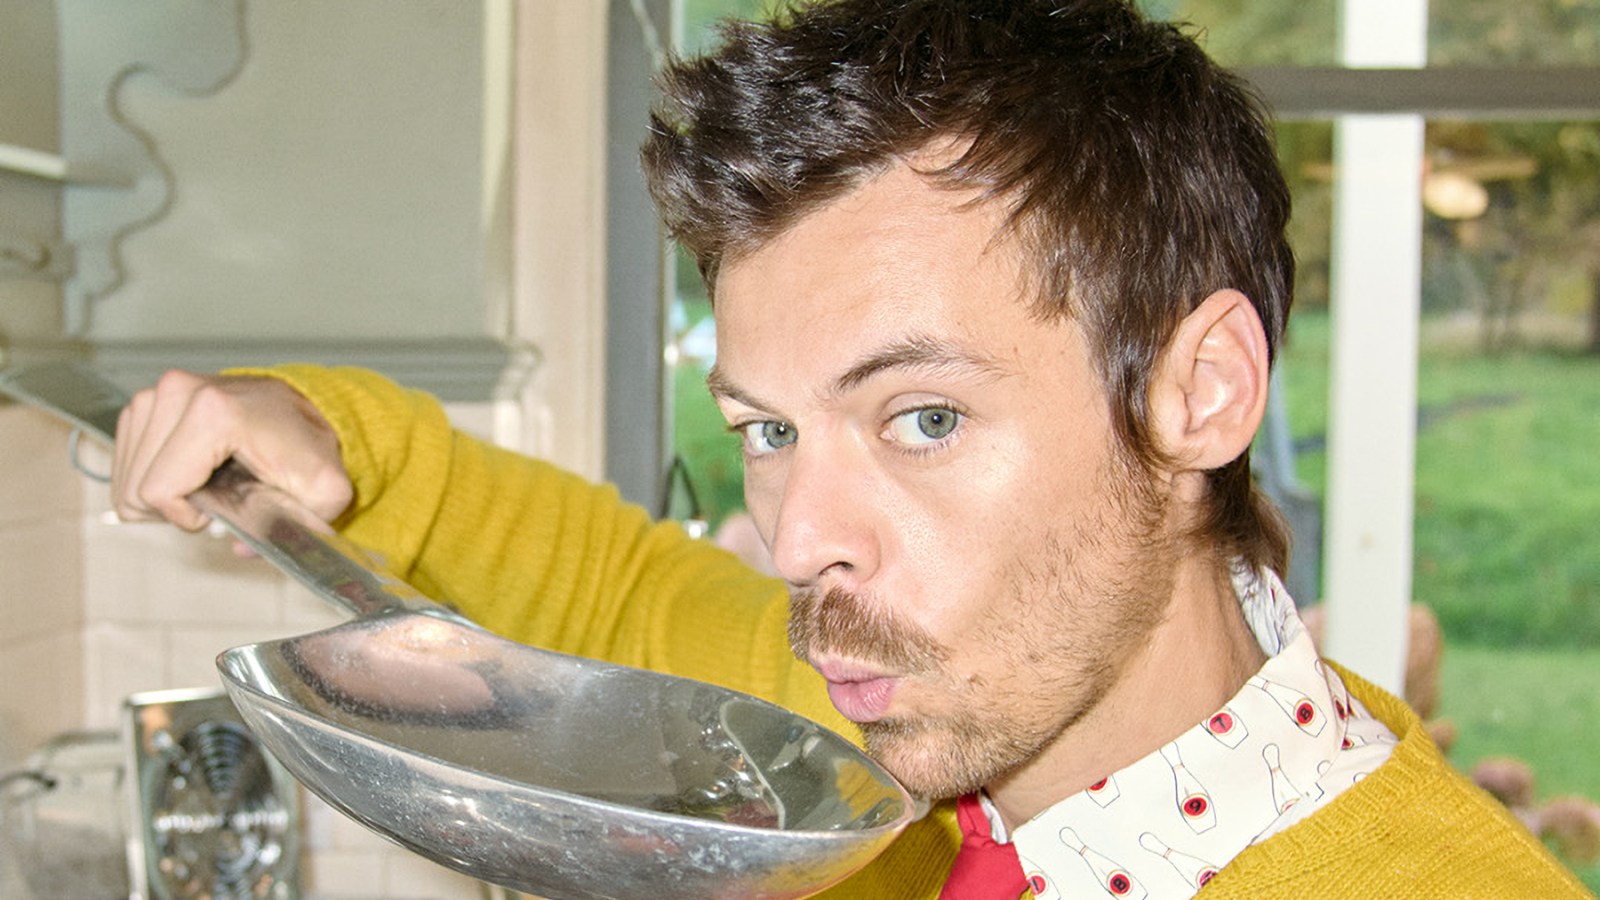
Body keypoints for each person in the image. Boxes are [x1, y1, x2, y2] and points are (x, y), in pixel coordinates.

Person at [111, 1, 1588, 897]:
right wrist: (330, 440)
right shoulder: (858, 732)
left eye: (923, 418)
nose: (804, 537)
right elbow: (619, 593)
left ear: (1198, 394)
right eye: (768, 430)